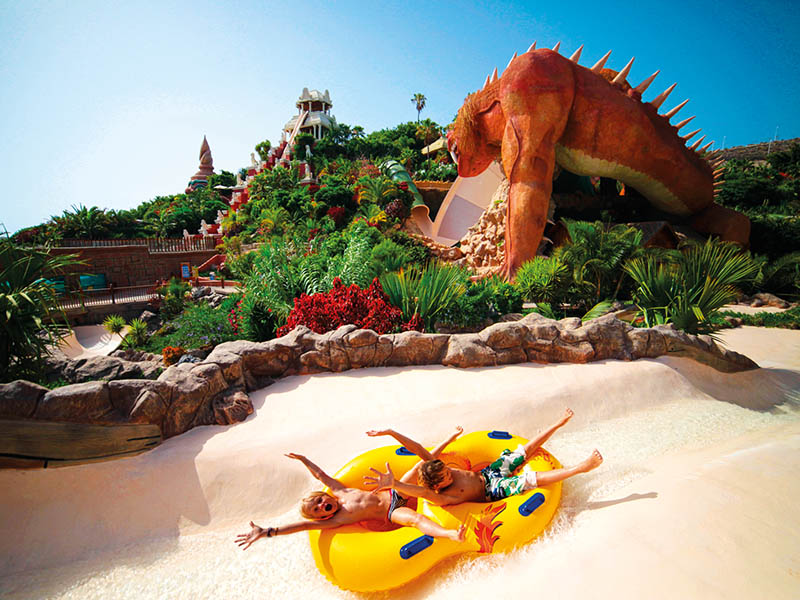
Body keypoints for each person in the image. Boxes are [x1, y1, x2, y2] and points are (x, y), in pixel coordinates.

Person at [235, 427, 467, 550]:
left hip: (394, 493)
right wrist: (267, 531)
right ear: (322, 517)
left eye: (319, 501)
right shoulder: (336, 520)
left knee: (419, 466)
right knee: (415, 520)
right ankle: (450, 534)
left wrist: (304, 459)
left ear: (324, 495)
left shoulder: (341, 492)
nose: (321, 506)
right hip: (392, 512)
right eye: (317, 510)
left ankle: (446, 442)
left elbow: (321, 475)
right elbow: (303, 526)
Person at [363, 408, 603, 505]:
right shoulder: (441, 496)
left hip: (489, 474)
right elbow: (420, 492)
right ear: (437, 485)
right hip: (493, 490)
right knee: (529, 479)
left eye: (447, 470)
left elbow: (418, 449)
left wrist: (391, 432)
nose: (449, 472)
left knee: (521, 452)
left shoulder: (438, 469)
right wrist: (395, 484)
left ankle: (558, 423)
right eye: (446, 476)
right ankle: (580, 468)